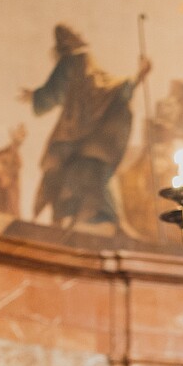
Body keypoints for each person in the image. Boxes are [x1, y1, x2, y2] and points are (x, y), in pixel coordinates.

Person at [21, 23, 151, 229]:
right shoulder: (80, 61)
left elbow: (102, 88)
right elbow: (107, 88)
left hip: (76, 132)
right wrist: (137, 79)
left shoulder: (75, 60)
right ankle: (71, 220)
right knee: (68, 172)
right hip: (76, 132)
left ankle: (89, 219)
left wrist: (36, 97)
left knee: (74, 171)